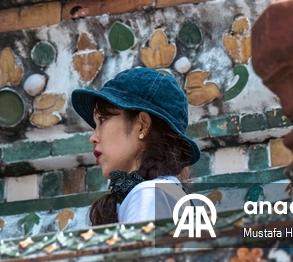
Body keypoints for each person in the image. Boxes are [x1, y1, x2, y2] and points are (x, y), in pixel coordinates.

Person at [71, 68, 201, 225]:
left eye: (103, 119)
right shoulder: (160, 192)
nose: (93, 138)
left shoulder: (149, 195)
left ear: (142, 126)